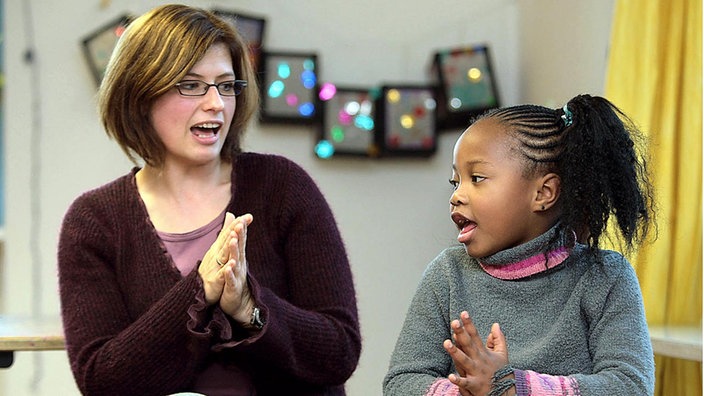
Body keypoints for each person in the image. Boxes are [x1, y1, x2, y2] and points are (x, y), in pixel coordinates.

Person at [57, 4, 360, 395]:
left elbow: (339, 351)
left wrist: (250, 308)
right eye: (191, 85)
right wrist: (199, 290)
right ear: (140, 93)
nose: (217, 103)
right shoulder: (94, 221)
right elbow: (101, 380)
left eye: (226, 85)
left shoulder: (283, 187)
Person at [383, 94, 656, 395]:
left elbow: (631, 385)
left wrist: (511, 387)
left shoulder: (607, 277)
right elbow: (401, 381)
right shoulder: (446, 274)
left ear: (544, 193)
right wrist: (467, 390)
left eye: (476, 178)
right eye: (455, 181)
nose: (456, 196)